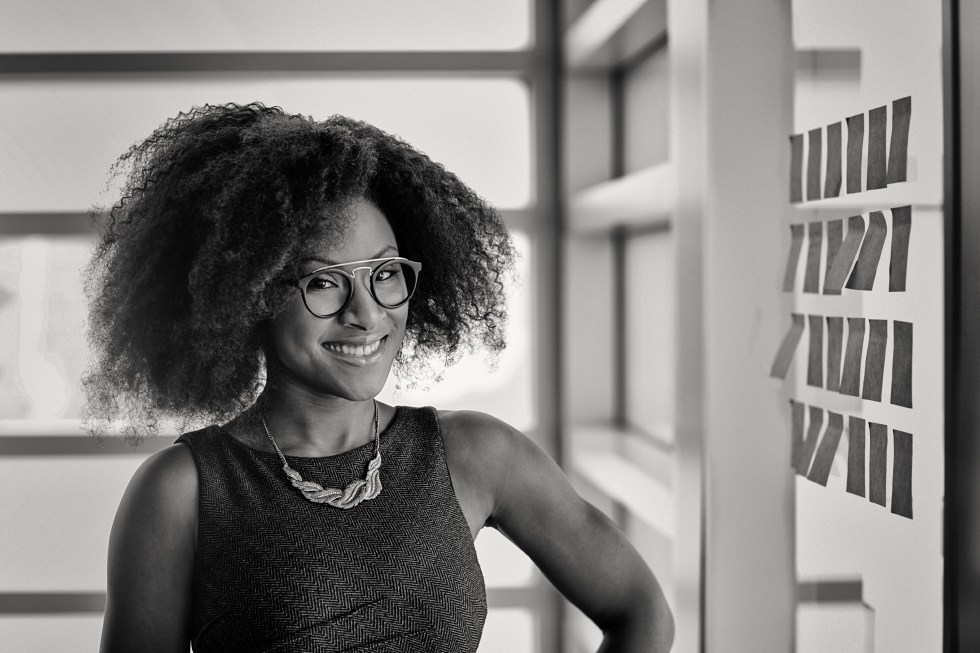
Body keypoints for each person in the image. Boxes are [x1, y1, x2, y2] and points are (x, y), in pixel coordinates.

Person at [88, 103, 673, 653]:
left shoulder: (474, 455)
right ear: (249, 295)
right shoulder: (181, 491)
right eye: (323, 283)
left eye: (385, 273)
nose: (367, 313)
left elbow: (640, 610)